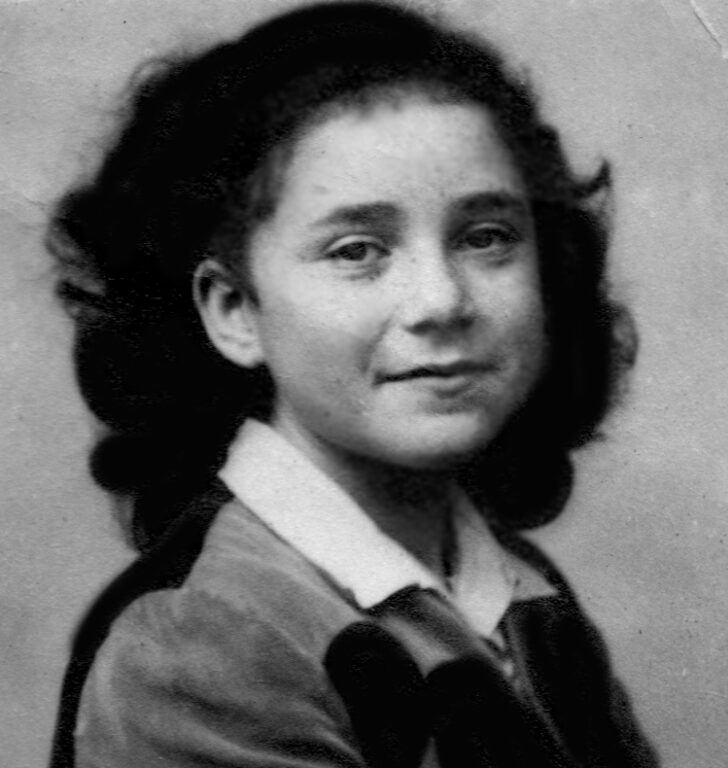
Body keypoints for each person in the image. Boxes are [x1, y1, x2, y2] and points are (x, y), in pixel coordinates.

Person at [47, 2, 657, 766]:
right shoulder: (202, 640)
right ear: (234, 310)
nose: (442, 301)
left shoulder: (526, 599)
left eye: (486, 237)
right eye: (357, 251)